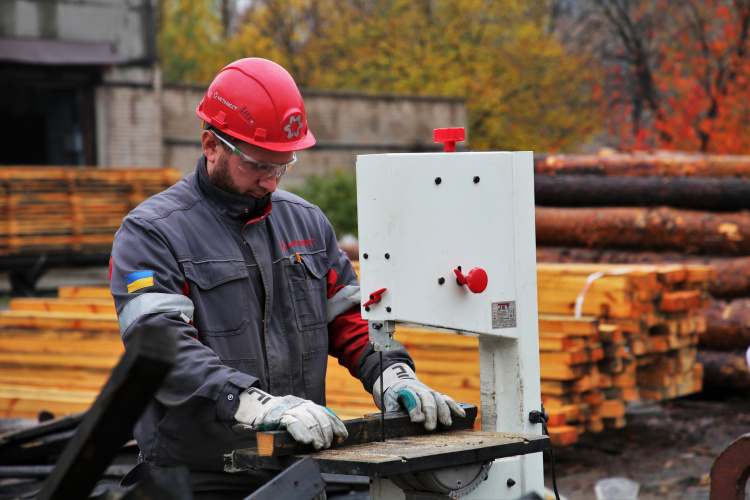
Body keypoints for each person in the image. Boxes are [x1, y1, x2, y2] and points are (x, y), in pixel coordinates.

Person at [110, 57, 465, 498]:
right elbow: (159, 346)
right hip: (198, 476)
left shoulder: (307, 223)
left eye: (283, 165)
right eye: (259, 165)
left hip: (293, 463)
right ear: (210, 145)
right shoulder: (153, 232)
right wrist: (249, 403)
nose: (271, 182)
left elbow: (349, 319)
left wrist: (391, 373)